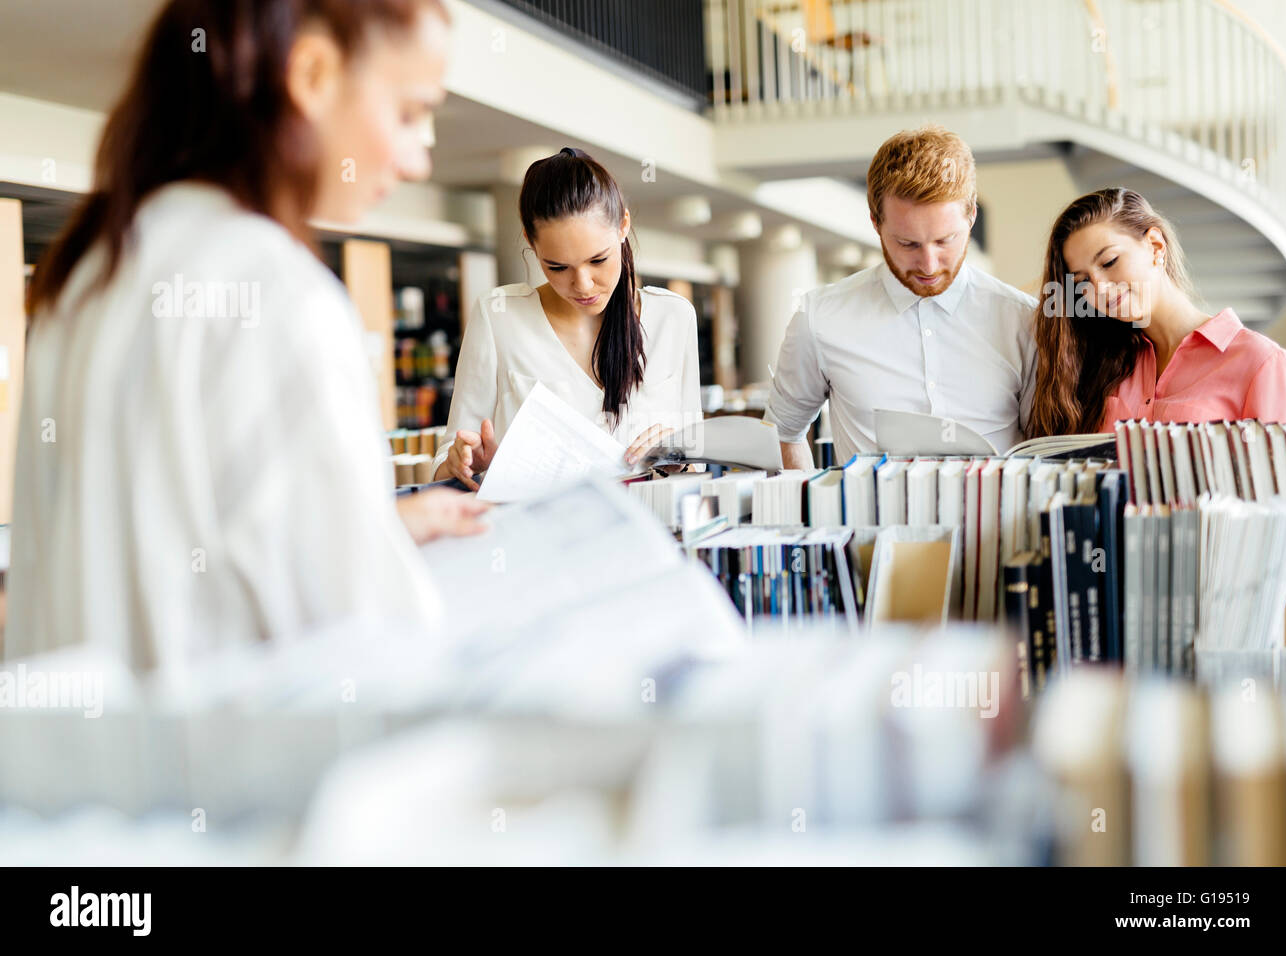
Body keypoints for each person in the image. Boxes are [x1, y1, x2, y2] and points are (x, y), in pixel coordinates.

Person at [8, 0, 485, 670]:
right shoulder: (275, 292)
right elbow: (360, 646)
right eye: (408, 114)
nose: (416, 161)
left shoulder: (86, 279)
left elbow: (159, 559)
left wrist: (371, 536)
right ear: (313, 74)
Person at [764, 126, 1038, 467]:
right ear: (876, 223)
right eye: (908, 243)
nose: (929, 264)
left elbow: (1039, 444)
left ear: (971, 217)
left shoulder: (1024, 319)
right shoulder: (817, 317)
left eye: (945, 240)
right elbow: (782, 433)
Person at [432, 148, 702, 488]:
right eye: (557, 267)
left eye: (598, 260)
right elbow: (448, 460)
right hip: (540, 535)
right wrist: (465, 462)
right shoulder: (498, 316)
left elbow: (698, 465)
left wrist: (677, 460)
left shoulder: (673, 318)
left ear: (623, 225)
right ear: (531, 243)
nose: (583, 284)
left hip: (649, 533)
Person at [1026, 187, 1286, 437]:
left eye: (1109, 261)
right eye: (1082, 281)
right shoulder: (1103, 366)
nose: (1100, 288)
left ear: (1156, 246)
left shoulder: (1261, 363)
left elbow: (1284, 486)